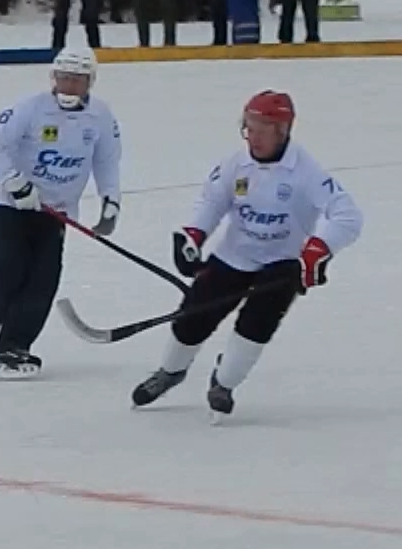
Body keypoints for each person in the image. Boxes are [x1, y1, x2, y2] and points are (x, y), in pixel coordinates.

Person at [131, 90, 362, 418]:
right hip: (234, 255)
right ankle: (170, 371)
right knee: (192, 318)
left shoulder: (307, 171)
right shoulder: (234, 164)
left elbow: (348, 216)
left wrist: (318, 250)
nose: (251, 137)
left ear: (282, 131)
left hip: (283, 262)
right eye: (248, 127)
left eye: (261, 130)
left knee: (257, 324)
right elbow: (212, 202)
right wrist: (192, 235)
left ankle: (223, 383)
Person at [0, 45, 123, 378]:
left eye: (77, 80)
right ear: (53, 77)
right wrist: (16, 184)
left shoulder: (101, 116)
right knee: (8, 270)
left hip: (57, 212)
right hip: (8, 206)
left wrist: (111, 201)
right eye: (63, 78)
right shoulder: (29, 109)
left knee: (43, 279)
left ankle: (15, 344)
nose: (69, 86)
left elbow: (106, 160)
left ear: (90, 82)